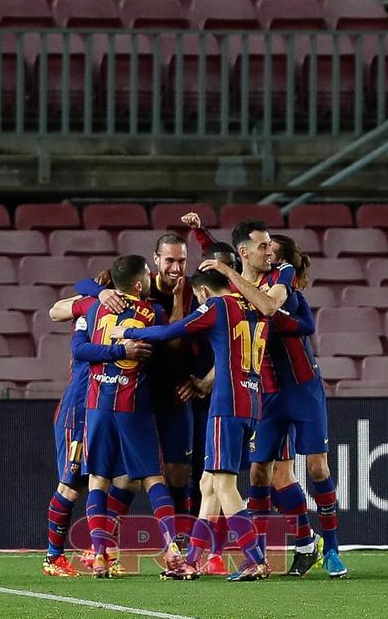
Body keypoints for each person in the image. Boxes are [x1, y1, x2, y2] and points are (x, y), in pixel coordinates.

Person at [199, 220, 347, 579]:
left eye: (271, 249)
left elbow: (268, 308)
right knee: (260, 472)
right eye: (262, 248)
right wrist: (201, 234)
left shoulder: (282, 278)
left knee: (317, 469)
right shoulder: (241, 282)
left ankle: (331, 549)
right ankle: (265, 555)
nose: (268, 254)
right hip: (264, 390)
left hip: (302, 387)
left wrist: (226, 269)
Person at [110, 268, 270, 582]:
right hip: (252, 400)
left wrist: (128, 333)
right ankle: (193, 561)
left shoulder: (217, 306)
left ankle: (255, 559)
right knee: (208, 485)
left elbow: (172, 331)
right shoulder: (254, 307)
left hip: (227, 404)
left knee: (224, 485)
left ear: (203, 293)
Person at [73, 233, 197, 542]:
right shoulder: (137, 283)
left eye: (181, 261)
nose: (176, 268)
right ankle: (105, 542)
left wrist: (201, 379)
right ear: (156, 261)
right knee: (130, 476)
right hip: (136, 393)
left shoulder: (193, 289)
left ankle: (178, 541)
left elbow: (187, 342)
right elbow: (84, 286)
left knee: (177, 470)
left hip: (175, 390)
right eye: (170, 261)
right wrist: (99, 293)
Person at [42, 290, 152, 579]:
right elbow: (56, 312)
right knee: (72, 485)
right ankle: (53, 558)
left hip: (109, 409)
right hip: (79, 411)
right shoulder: (89, 310)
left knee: (129, 481)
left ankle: (97, 548)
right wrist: (95, 293)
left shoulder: (130, 317)